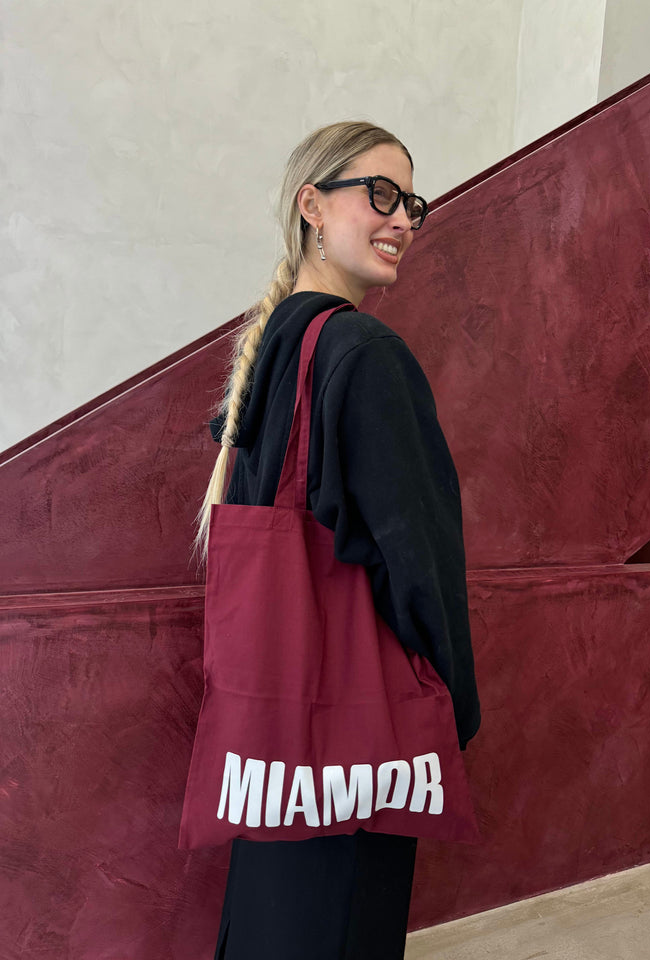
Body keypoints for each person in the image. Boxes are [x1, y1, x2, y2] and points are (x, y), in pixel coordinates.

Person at [195, 120, 480, 960]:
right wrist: (453, 706)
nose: (401, 220)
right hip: (355, 745)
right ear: (312, 205)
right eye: (380, 194)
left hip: (270, 744)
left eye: (412, 204)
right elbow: (419, 559)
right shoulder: (363, 353)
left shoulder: (269, 352)